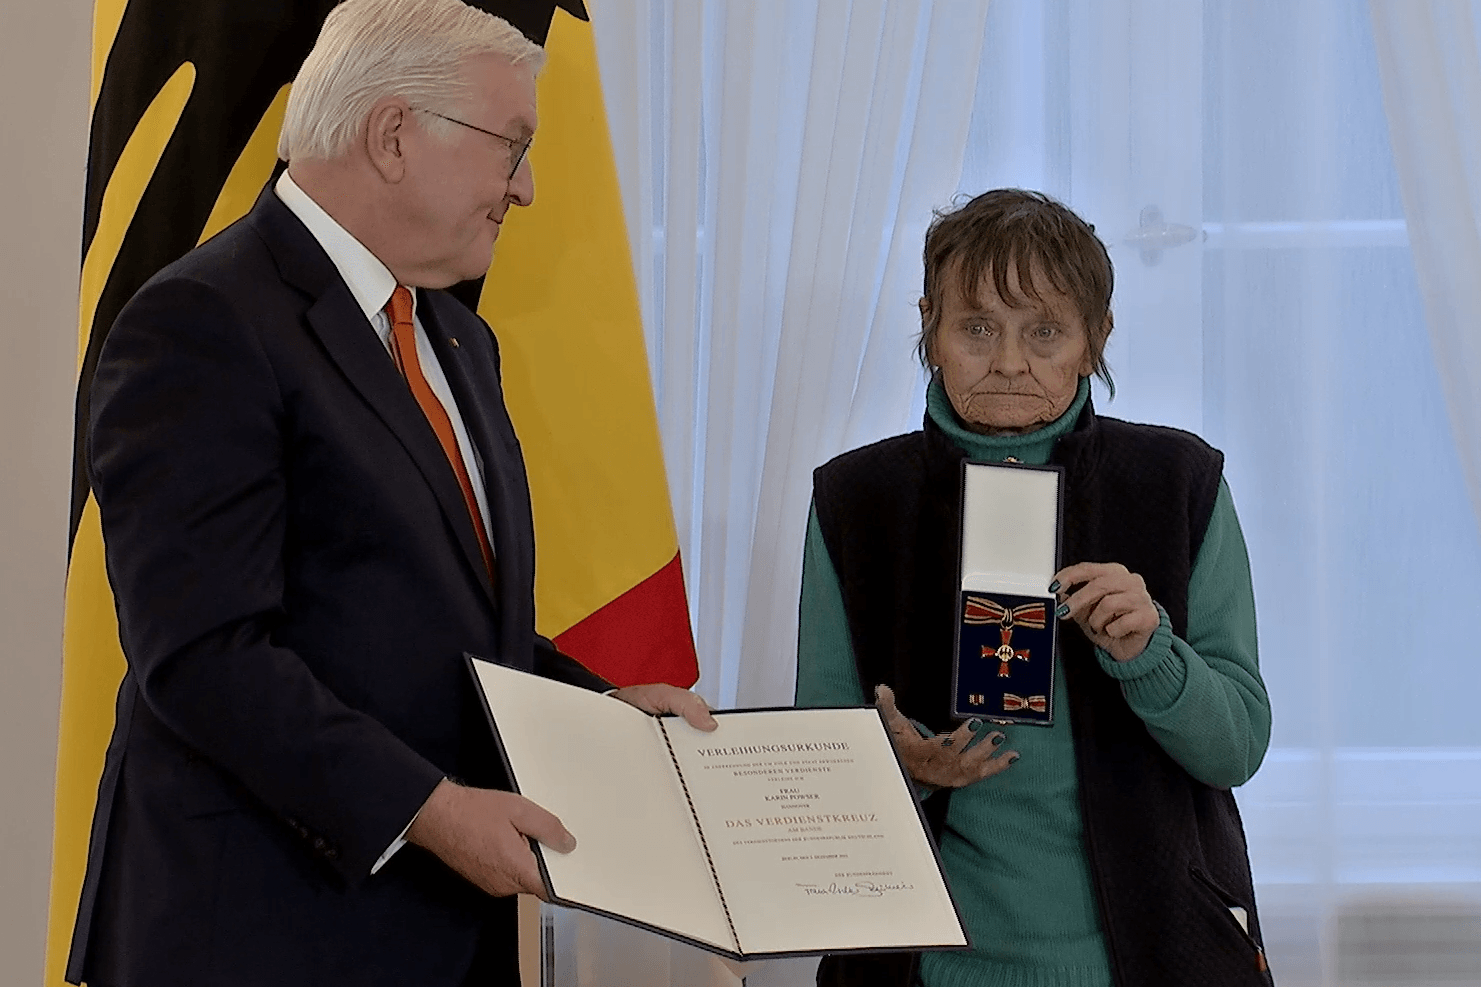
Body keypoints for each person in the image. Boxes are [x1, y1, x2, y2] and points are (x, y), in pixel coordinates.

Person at [66, 2, 715, 985]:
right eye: (511, 147)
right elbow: (204, 656)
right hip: (253, 934)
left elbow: (443, 626)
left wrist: (604, 712)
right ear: (394, 135)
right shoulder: (200, 323)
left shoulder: (458, 338)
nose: (527, 188)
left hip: (433, 938)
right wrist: (433, 811)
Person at [796, 189, 1272, 987]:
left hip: (1156, 960)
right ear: (930, 329)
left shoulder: (1178, 482)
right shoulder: (855, 499)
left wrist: (1153, 654)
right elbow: (820, 781)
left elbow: (1236, 746)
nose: (1010, 361)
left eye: (1044, 331)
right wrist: (901, 771)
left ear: (1095, 339)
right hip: (923, 968)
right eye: (976, 327)